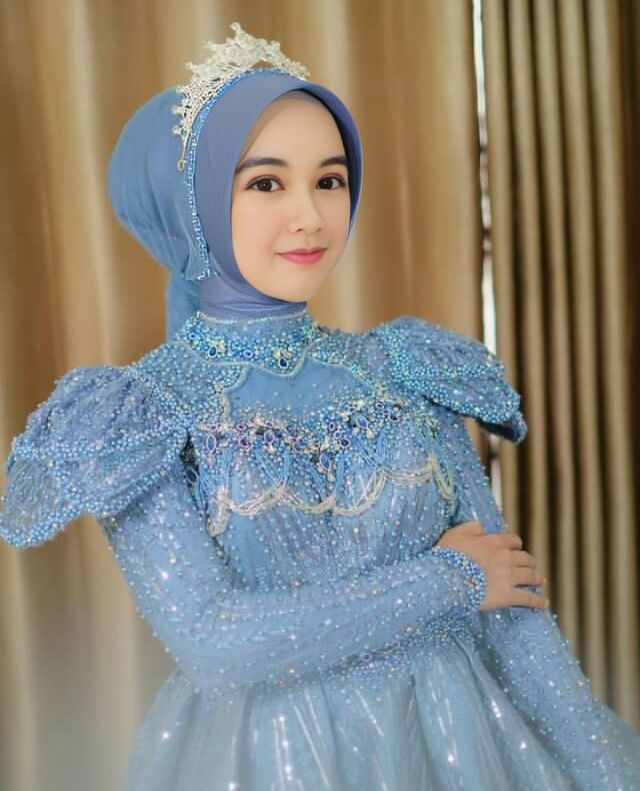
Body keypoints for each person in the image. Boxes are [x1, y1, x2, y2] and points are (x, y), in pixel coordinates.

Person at [0, 21, 638, 791]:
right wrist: (447, 581)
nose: (310, 215)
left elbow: (514, 611)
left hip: (456, 743)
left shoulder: (404, 367)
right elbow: (216, 641)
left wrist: (606, 770)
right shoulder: (145, 412)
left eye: (330, 180)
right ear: (196, 202)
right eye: (266, 183)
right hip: (271, 759)